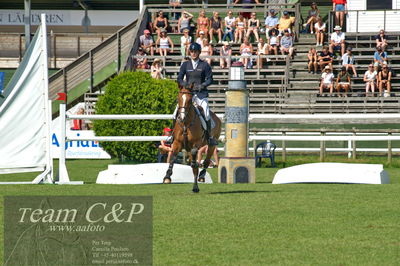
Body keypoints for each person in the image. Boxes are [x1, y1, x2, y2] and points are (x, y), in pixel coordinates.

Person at [177, 43, 217, 145]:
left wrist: (202, 85)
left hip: (201, 95)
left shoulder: (205, 65)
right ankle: (173, 136)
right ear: (189, 52)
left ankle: (209, 137)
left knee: (207, 114)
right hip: (188, 94)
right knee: (175, 113)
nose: (193, 53)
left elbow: (210, 79)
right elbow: (179, 78)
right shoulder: (185, 65)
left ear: (199, 52)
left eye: (195, 52)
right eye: (192, 51)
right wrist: (185, 84)